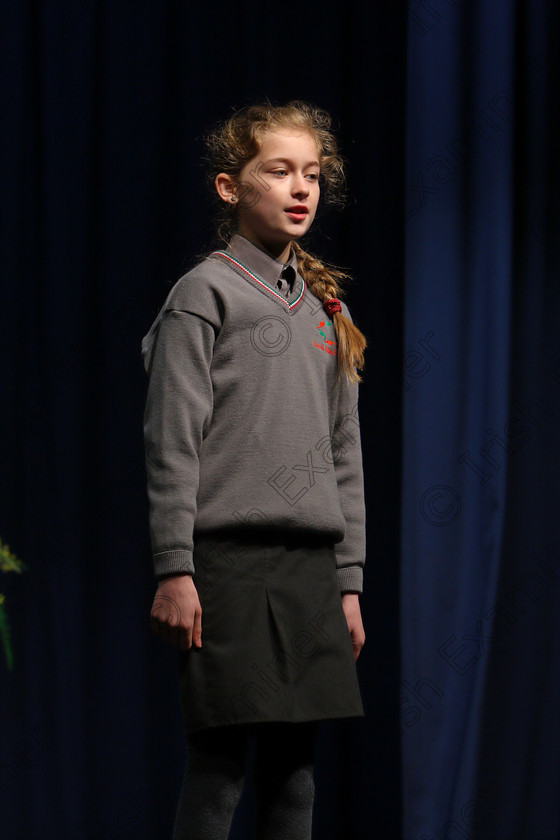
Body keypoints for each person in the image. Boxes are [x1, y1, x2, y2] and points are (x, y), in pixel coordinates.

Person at [141, 99, 367, 840]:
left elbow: (345, 454)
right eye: (279, 171)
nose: (301, 188)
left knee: (295, 777)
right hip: (228, 564)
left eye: (312, 174)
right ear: (230, 187)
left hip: (309, 569)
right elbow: (172, 439)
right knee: (219, 770)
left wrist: (348, 581)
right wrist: (176, 567)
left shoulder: (324, 311)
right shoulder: (203, 295)